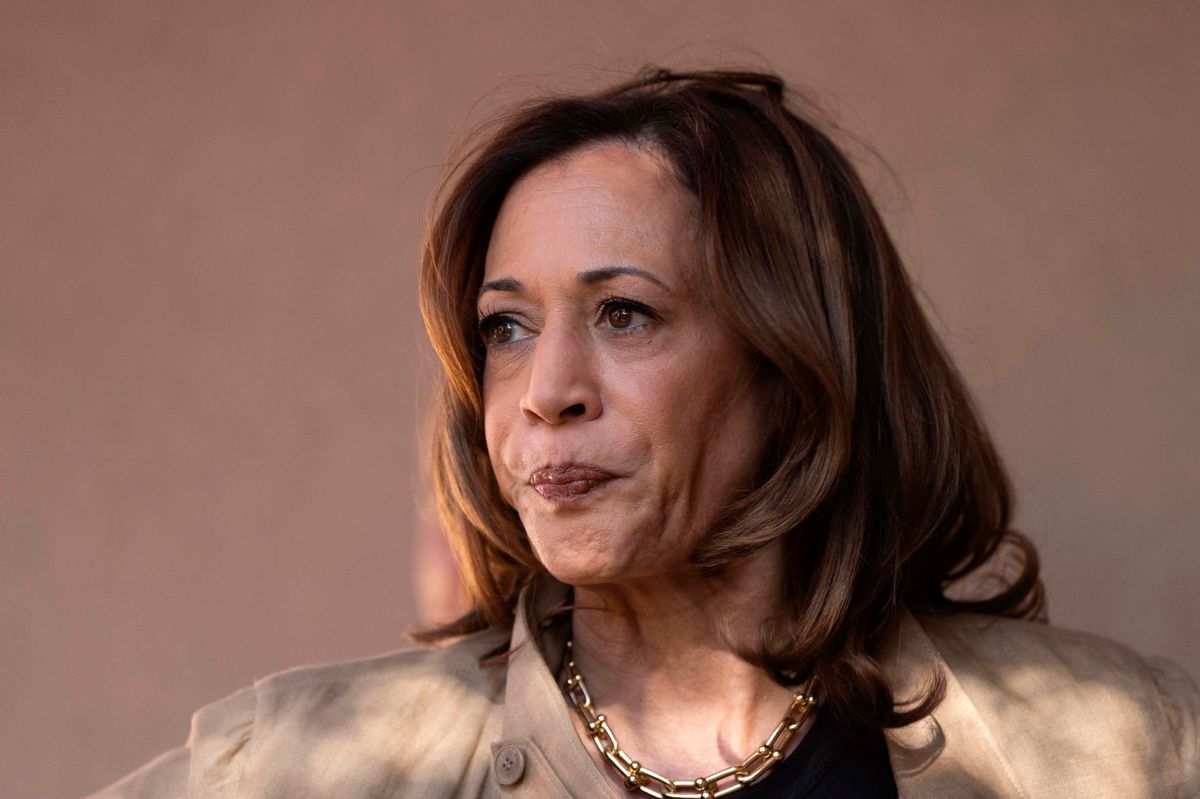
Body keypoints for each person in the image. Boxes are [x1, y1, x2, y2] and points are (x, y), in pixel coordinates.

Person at [89, 67, 1198, 799]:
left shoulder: (1126, 748)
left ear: (793, 364)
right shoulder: (290, 767)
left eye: (625, 313)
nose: (545, 390)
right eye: (507, 328)